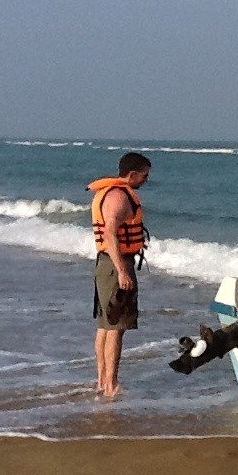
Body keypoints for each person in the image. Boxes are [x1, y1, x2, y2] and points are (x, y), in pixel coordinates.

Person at [88, 151, 151, 397]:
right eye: (145, 175)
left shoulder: (111, 193)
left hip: (106, 265)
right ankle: (111, 385)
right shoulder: (118, 197)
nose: (146, 180)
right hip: (115, 266)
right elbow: (110, 234)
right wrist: (123, 271)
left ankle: (102, 382)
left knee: (105, 325)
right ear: (132, 174)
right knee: (116, 327)